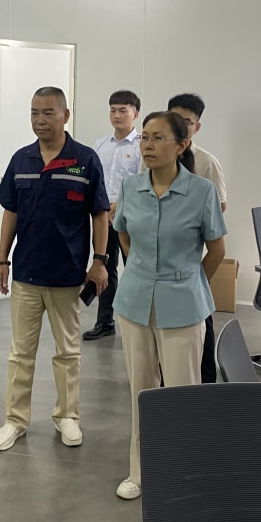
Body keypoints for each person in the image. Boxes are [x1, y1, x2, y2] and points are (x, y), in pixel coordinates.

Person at [112, 110, 226, 500]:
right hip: (135, 302)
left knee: (181, 395)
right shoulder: (131, 187)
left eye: (158, 138)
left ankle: (183, 474)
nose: (148, 144)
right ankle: (140, 472)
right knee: (141, 393)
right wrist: (141, 268)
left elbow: (216, 249)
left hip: (183, 305)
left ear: (182, 145)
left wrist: (190, 281)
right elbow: (122, 232)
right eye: (145, 137)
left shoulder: (201, 191)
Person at [0, 86, 110, 452]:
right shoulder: (22, 159)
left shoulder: (84, 160)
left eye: (47, 113)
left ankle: (67, 416)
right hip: (26, 274)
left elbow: (99, 214)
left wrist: (99, 261)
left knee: (68, 352)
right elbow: (10, 212)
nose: (39, 120)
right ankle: (15, 419)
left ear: (65, 115)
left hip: (67, 276)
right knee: (20, 353)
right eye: (34, 113)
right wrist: (2, 259)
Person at [168, 92, 228, 383]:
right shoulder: (152, 157)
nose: (180, 126)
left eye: (186, 122)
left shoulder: (206, 163)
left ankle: (205, 385)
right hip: (160, 264)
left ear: (197, 127)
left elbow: (220, 207)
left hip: (189, 259)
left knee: (200, 319)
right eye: (174, 120)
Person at [83, 90, 142, 341]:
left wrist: (115, 208)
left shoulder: (141, 146)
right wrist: (100, 210)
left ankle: (138, 323)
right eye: (113, 110)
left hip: (130, 219)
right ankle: (105, 321)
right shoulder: (100, 145)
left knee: (135, 270)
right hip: (102, 219)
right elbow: (93, 180)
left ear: (135, 114)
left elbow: (141, 184)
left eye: (122, 111)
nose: (117, 115)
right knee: (104, 268)